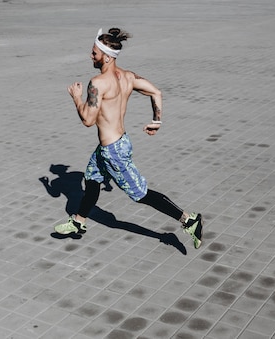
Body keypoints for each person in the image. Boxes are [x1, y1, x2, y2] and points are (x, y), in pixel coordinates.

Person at [54, 28, 203, 249]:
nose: (91, 56)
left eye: (94, 53)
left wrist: (76, 98)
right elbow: (156, 92)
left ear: (106, 56)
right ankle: (78, 222)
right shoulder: (128, 76)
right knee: (93, 177)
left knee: (141, 194)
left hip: (114, 150)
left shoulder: (97, 83)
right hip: (115, 144)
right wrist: (157, 120)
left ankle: (189, 220)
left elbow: (87, 119)